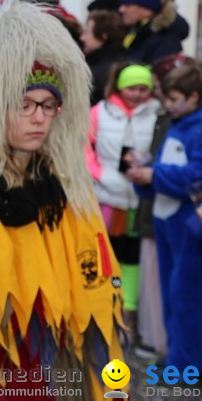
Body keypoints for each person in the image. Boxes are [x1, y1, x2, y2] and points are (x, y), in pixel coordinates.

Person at [0, 0, 123, 396]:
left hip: (39, 364)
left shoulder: (64, 190)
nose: (39, 118)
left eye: (49, 106)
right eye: (25, 105)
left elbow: (92, 289)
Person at [128, 63, 202, 368]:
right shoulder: (178, 123)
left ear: (194, 96)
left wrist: (153, 173)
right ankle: (177, 356)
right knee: (172, 294)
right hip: (167, 222)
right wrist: (145, 170)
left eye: (173, 99)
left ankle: (189, 364)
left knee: (189, 298)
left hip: (189, 224)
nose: (168, 105)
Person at [86, 63, 160, 339]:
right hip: (106, 197)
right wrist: (100, 174)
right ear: (119, 87)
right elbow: (84, 146)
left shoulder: (157, 114)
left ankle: (127, 308)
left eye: (143, 88)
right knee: (105, 255)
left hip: (138, 200)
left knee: (131, 258)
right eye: (132, 87)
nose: (138, 94)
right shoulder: (99, 112)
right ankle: (104, 304)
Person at [118, 0, 190, 64]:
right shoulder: (138, 32)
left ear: (147, 8)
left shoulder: (164, 40)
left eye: (128, 5)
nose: (121, 9)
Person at [81, 9, 127, 105]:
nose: (82, 38)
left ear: (103, 36)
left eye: (87, 32)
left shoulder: (95, 72)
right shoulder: (128, 60)